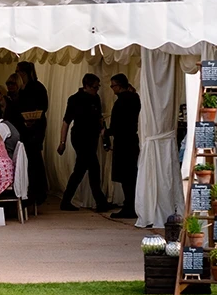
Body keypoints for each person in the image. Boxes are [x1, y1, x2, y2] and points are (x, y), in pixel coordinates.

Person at [57, 74, 114, 212]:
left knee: (81, 170)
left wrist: (103, 134)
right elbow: (66, 121)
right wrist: (62, 142)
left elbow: (99, 119)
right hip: (80, 137)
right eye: (95, 87)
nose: (97, 90)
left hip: (92, 137)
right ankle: (100, 201)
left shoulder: (96, 98)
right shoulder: (75, 99)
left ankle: (67, 201)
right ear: (86, 86)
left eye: (97, 87)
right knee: (92, 168)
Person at [107, 73, 141, 219]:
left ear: (119, 85)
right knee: (131, 175)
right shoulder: (135, 98)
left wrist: (106, 132)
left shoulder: (121, 102)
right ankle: (131, 204)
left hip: (123, 141)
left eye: (113, 85)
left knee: (126, 177)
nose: (112, 89)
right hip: (132, 139)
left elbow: (115, 125)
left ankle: (129, 206)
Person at [15, 62, 49, 204]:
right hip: (25, 126)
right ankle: (31, 191)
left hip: (35, 125)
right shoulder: (23, 88)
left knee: (34, 157)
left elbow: (43, 106)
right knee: (29, 158)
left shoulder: (37, 87)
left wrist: (33, 119)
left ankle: (38, 192)